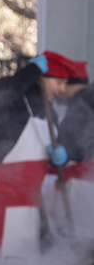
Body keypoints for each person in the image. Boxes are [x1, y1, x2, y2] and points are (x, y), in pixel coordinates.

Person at [0, 51, 73, 259]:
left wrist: (59, 155)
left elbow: (51, 146)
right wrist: (30, 72)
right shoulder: (12, 98)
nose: (62, 90)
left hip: (26, 207)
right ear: (41, 76)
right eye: (59, 82)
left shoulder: (47, 107)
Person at [45, 60, 94, 239]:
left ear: (70, 85)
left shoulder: (83, 104)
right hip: (84, 183)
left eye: (62, 84)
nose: (59, 91)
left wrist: (62, 154)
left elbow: (76, 143)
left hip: (82, 185)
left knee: (82, 238)